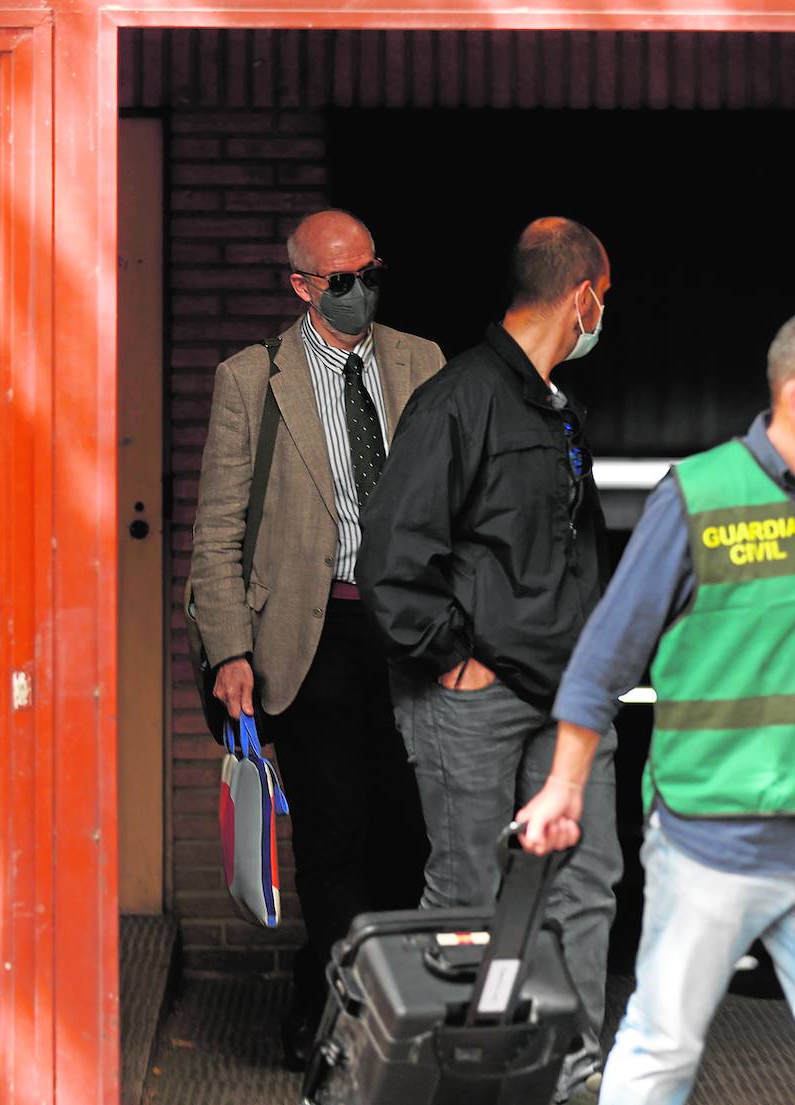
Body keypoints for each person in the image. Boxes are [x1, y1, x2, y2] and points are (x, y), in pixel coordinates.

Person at [517, 302, 795, 1105]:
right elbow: (602, 659)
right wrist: (562, 784)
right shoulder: (697, 497)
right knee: (661, 1048)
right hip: (711, 841)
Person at [355, 216, 622, 1103]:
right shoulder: (457, 399)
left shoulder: (558, 409)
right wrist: (451, 661)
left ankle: (570, 1070)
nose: (603, 316)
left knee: (583, 881)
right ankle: (459, 1078)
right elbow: (392, 556)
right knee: (469, 895)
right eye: (604, 299)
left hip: (568, 695)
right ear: (581, 293)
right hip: (472, 696)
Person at [188, 208, 444, 1070]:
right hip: (313, 634)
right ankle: (351, 1031)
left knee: (407, 835)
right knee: (333, 837)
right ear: (301, 285)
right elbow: (218, 532)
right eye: (342, 280)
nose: (361, 290)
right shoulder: (250, 379)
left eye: (373, 271)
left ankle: (345, 995)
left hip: (410, 630)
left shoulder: (423, 362)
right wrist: (230, 650)